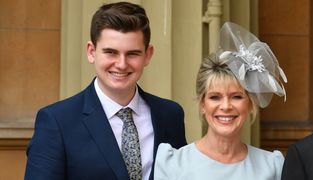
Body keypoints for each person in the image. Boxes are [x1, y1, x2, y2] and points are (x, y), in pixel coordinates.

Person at [24, 2, 187, 180]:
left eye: (132, 53)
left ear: (147, 55)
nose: (122, 64)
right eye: (111, 52)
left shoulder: (170, 115)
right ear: (91, 52)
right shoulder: (56, 122)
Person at [154, 22, 288, 180]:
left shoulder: (272, 165)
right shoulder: (174, 163)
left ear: (250, 104)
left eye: (236, 97)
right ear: (203, 104)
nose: (225, 106)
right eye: (215, 97)